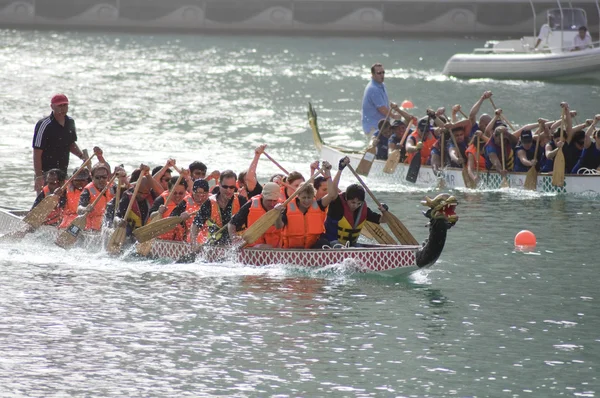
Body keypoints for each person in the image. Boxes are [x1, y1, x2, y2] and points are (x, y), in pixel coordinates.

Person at [323, 157, 387, 246]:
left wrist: (384, 211)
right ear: (346, 199)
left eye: (358, 203)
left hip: (351, 245)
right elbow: (332, 192)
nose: (355, 206)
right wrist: (340, 170)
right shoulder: (337, 205)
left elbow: (383, 220)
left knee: (359, 248)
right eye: (353, 202)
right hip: (331, 243)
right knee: (338, 246)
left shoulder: (363, 210)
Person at [32, 93, 87, 193]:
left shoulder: (70, 122)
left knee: (63, 201)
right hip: (46, 172)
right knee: (44, 202)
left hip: (62, 170)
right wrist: (39, 176)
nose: (62, 108)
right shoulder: (44, 124)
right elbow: (37, 152)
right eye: (59, 106)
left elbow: (71, 143)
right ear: (52, 106)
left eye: (65, 105)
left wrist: (81, 156)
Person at [280, 162, 333, 249]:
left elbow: (332, 195)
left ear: (313, 197)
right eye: (304, 198)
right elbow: (279, 226)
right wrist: (278, 214)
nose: (307, 201)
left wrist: (328, 173)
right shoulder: (287, 207)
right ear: (298, 196)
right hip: (292, 249)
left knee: (324, 243)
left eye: (309, 198)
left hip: (312, 247)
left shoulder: (319, 204)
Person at [190, 170, 246, 245]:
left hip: (237, 245)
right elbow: (196, 224)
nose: (228, 190)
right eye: (225, 187)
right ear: (219, 184)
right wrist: (194, 242)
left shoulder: (241, 201)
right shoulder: (209, 203)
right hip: (214, 245)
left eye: (232, 187)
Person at [229, 182, 283, 248]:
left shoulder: (282, 206)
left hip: (276, 248)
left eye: (274, 201)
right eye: (269, 200)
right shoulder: (250, 205)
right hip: (254, 247)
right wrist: (233, 238)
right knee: (265, 247)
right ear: (262, 196)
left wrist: (278, 213)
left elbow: (279, 226)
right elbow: (232, 223)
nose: (272, 204)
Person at [361, 63, 401, 135]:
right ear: (373, 74)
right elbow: (382, 108)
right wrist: (394, 116)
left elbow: (384, 102)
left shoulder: (382, 85)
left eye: (383, 72)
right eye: (379, 73)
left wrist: (393, 106)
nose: (382, 75)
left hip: (383, 126)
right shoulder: (373, 88)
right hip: (373, 127)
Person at [77, 163, 113, 231]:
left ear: (108, 177)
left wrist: (123, 179)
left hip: (107, 225)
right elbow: (79, 209)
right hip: (92, 228)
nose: (101, 180)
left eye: (104, 177)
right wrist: (85, 209)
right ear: (92, 177)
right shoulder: (87, 191)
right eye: (98, 177)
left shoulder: (113, 187)